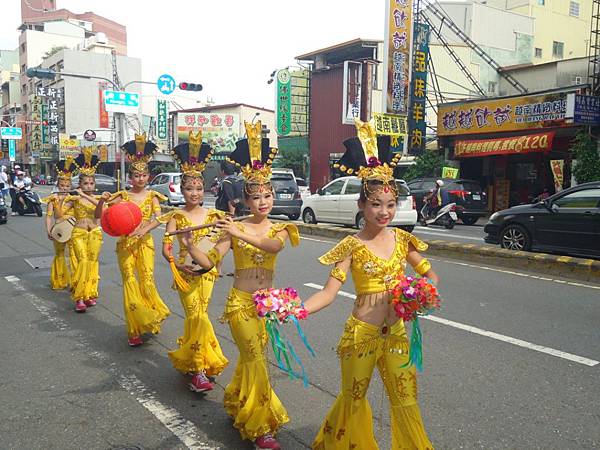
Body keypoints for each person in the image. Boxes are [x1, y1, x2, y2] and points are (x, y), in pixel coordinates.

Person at [303, 119, 437, 450]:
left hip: (397, 335)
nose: (384, 212)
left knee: (405, 401)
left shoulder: (405, 240)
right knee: (353, 399)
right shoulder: (350, 246)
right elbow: (328, 292)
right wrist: (296, 309)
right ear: (361, 206)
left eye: (390, 204)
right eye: (375, 204)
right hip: (361, 336)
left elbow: (429, 276)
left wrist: (424, 292)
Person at [182, 121, 298, 450]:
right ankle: (261, 427)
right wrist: (192, 248)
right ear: (245, 201)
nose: (263, 202)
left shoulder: (278, 230)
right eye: (256, 197)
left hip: (267, 305)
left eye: (267, 195)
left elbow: (272, 248)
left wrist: (236, 233)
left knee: (253, 358)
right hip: (239, 304)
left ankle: (237, 399)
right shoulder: (233, 228)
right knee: (257, 359)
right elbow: (211, 262)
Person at [137, 130, 229, 391]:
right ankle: (199, 367)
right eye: (189, 188)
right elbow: (167, 246)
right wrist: (176, 263)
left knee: (201, 314)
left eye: (199, 188)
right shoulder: (176, 217)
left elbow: (224, 244)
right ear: (181, 189)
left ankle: (197, 363)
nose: (195, 193)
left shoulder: (215, 216)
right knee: (195, 315)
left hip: (207, 272)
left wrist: (218, 256)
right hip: (185, 272)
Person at [95, 134, 170, 347]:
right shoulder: (122, 196)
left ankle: (150, 317)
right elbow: (102, 217)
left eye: (144, 175)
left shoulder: (153, 196)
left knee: (146, 280)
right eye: (136, 175)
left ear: (148, 176)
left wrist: (142, 229)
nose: (140, 179)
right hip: (126, 245)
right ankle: (134, 328)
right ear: (130, 177)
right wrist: (101, 201)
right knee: (130, 282)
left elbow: (159, 217)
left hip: (145, 243)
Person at [56, 148, 102, 313]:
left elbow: (99, 213)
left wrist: (88, 196)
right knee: (82, 262)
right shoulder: (73, 198)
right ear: (80, 184)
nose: (89, 185)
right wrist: (58, 201)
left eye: (91, 183)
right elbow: (59, 215)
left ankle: (89, 293)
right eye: (85, 183)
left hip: (95, 233)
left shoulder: (98, 199)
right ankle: (79, 296)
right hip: (78, 234)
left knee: (91, 264)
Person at [41, 157, 77, 290]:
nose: (64, 188)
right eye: (62, 186)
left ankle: (75, 281)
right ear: (58, 185)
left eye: (67, 186)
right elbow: (49, 217)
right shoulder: (52, 199)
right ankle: (60, 280)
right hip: (59, 230)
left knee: (73, 254)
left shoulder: (73, 199)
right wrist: (49, 230)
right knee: (60, 254)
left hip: (72, 229)